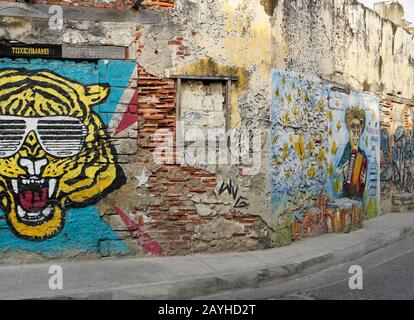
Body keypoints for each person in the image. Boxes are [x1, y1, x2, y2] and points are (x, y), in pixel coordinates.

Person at [337, 106, 368, 201]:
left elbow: (364, 178)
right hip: (346, 194)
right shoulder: (347, 149)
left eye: (358, 128)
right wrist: (344, 168)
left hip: (358, 196)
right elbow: (337, 170)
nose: (355, 132)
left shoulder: (362, 154)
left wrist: (363, 178)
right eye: (352, 128)